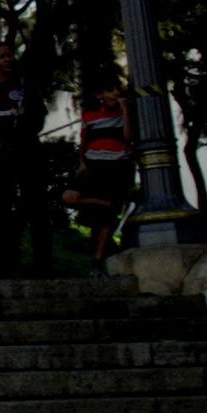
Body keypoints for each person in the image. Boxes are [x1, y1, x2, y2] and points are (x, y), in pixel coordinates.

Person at [0, 41, 48, 277]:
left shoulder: (26, 87)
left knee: (35, 207)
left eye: (10, 55)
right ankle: (3, 262)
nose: (7, 60)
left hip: (26, 154)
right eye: (2, 56)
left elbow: (37, 118)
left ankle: (41, 263)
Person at [69, 83, 133, 276]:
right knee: (68, 197)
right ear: (100, 94)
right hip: (94, 164)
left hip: (116, 165)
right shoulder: (89, 115)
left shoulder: (123, 114)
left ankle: (97, 260)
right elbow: (83, 141)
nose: (115, 93)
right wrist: (82, 163)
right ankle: (102, 202)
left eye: (117, 91)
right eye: (110, 89)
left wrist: (124, 110)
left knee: (108, 217)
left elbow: (128, 138)